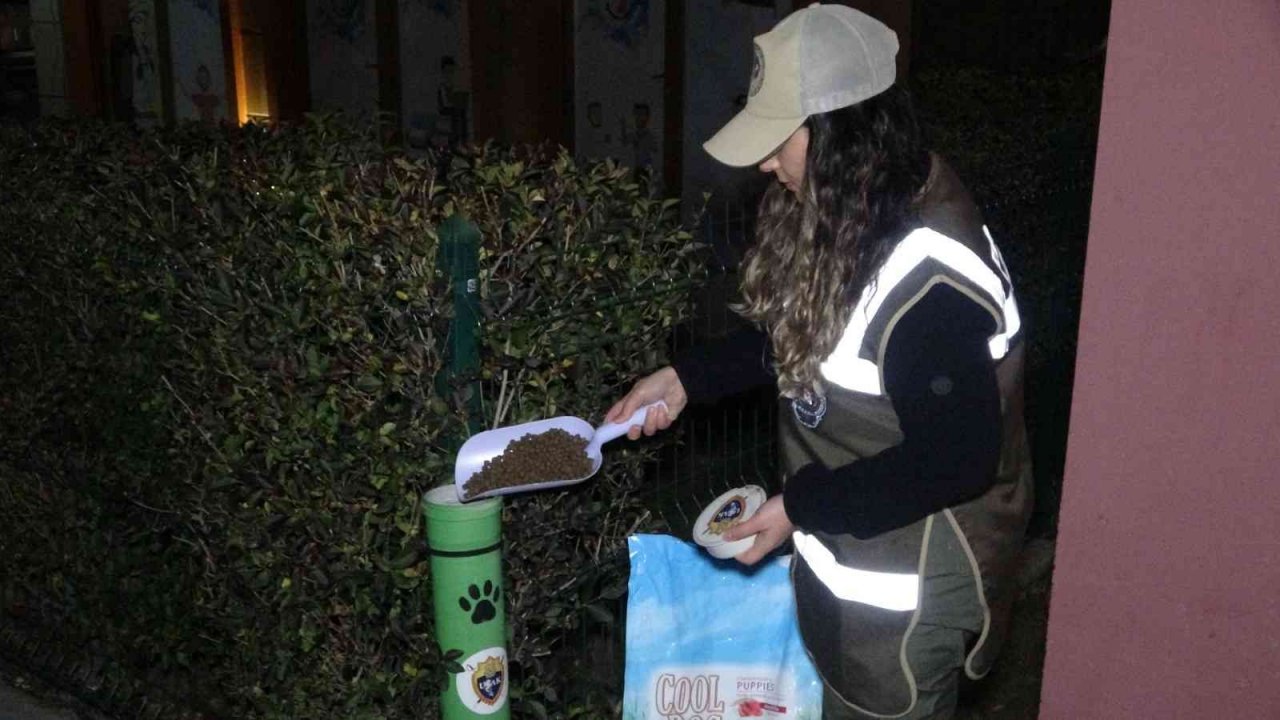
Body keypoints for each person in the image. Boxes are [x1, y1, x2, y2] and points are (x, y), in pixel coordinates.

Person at [604, 4, 1033, 719]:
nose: (768, 164)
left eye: (779, 141)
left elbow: (958, 459)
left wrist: (798, 508)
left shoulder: (927, 280)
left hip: (909, 591)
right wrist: (687, 379)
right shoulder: (863, 202)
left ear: (844, 131)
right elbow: (810, 337)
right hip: (858, 562)